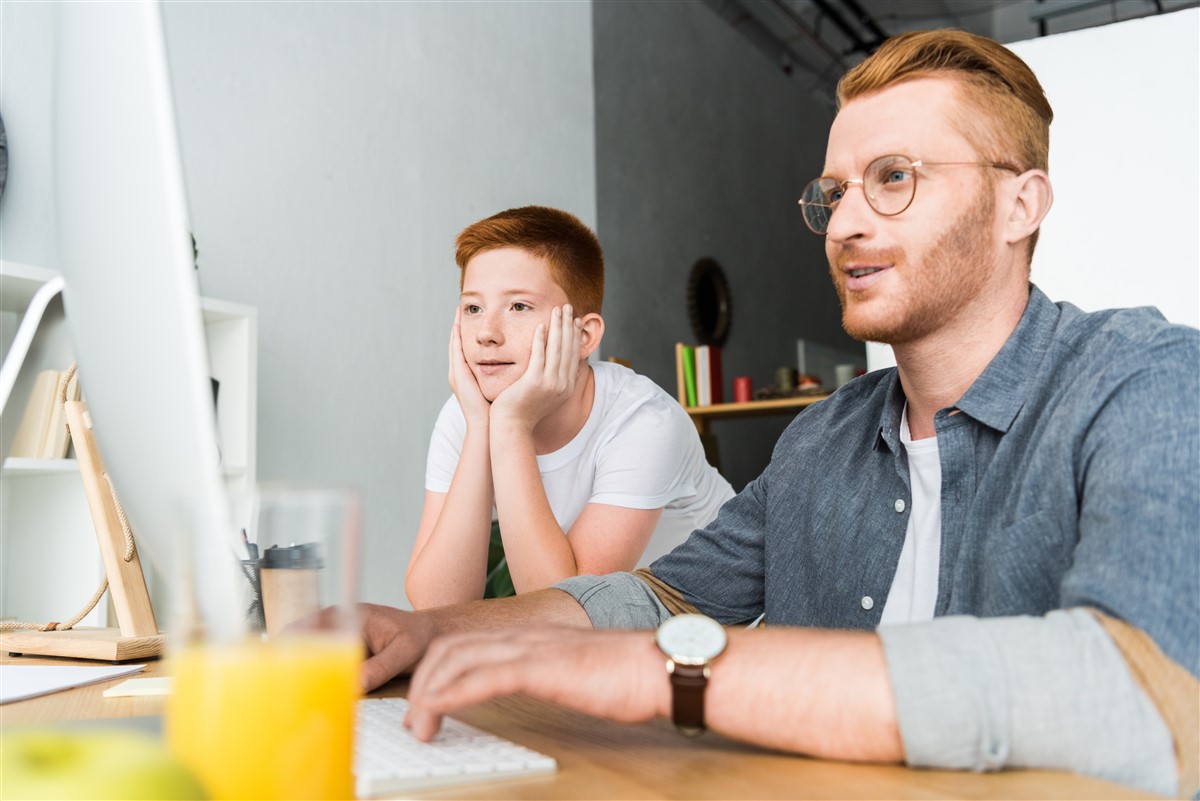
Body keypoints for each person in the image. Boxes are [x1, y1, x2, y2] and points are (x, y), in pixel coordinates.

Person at [363, 31, 1198, 797]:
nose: (846, 222)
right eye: (834, 192)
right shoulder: (822, 437)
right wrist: (430, 630)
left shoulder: (1142, 378)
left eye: (894, 177)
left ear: (1022, 205)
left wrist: (673, 674)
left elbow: (1141, 688)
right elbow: (660, 598)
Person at [405, 206, 735, 608]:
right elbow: (436, 606)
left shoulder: (644, 421)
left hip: (715, 636)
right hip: (607, 644)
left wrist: (508, 425)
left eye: (519, 307)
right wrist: (479, 426)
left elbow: (569, 608)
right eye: (473, 308)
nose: (487, 334)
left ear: (584, 335)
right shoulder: (465, 414)